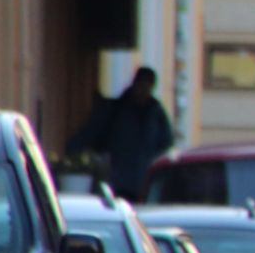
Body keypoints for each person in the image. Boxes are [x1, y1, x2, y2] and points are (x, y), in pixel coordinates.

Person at [67, 67, 175, 198]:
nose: (143, 90)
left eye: (148, 86)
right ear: (135, 83)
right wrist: (71, 154)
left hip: (144, 187)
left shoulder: (156, 114)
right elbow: (90, 134)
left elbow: (166, 144)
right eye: (141, 84)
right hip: (117, 185)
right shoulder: (116, 110)